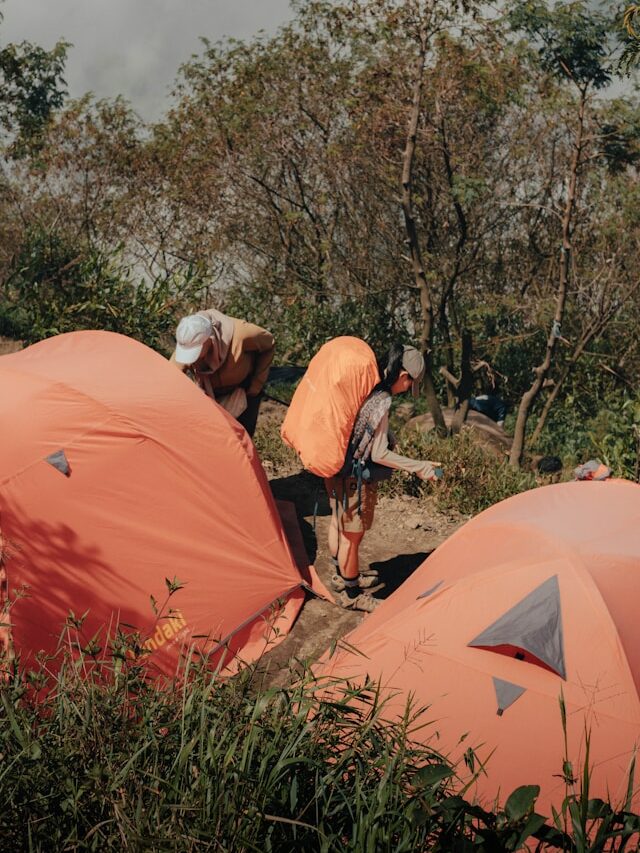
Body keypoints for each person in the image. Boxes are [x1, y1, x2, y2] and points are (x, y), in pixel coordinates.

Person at [325, 343, 443, 612]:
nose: (406, 390)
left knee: (337, 523)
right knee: (351, 538)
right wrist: (419, 466)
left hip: (335, 467)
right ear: (403, 376)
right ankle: (352, 594)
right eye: (409, 384)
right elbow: (378, 454)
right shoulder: (384, 401)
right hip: (355, 478)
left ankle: (342, 577)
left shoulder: (366, 388)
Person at [170, 309, 275, 438]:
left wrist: (256, 385)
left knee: (242, 439)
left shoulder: (242, 335)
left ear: (210, 340)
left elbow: (269, 344)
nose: (193, 359)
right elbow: (171, 377)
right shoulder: (187, 339)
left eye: (195, 351)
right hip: (210, 393)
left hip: (244, 389)